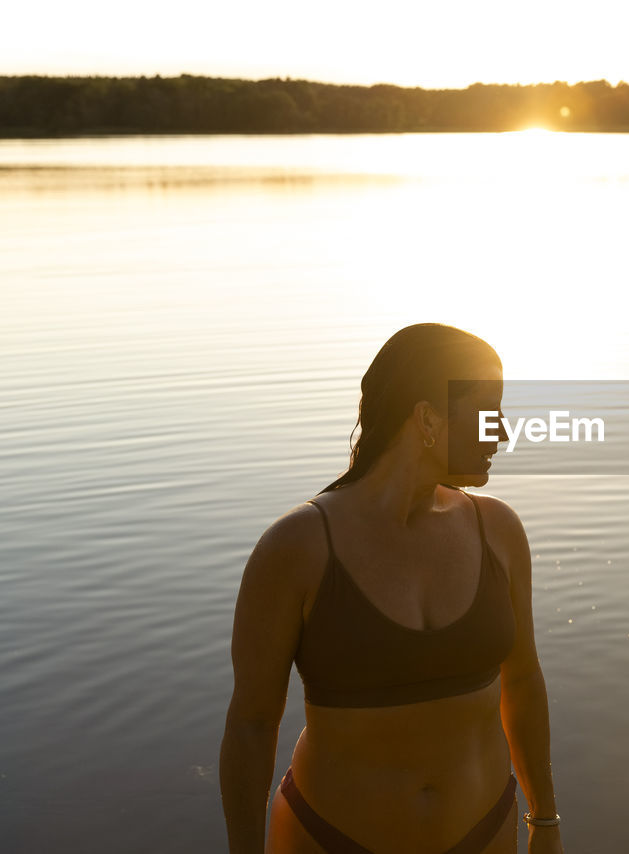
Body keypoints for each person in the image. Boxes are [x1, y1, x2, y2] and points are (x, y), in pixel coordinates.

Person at [219, 323, 563, 854]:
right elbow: (252, 724)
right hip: (331, 839)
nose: (502, 433)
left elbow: (523, 682)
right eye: (487, 412)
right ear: (428, 419)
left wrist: (545, 821)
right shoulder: (297, 549)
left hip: (486, 833)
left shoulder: (499, 532)